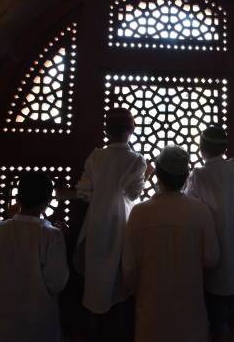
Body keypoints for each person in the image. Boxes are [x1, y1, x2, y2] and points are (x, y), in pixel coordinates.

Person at [122, 145, 220, 342]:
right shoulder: (200, 211)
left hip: (151, 315)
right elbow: (212, 259)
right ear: (186, 176)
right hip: (191, 316)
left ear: (157, 174)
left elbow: (129, 269)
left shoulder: (139, 213)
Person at [74, 107, 151, 335]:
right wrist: (147, 176)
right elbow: (134, 195)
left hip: (96, 224)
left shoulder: (96, 156)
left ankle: (91, 334)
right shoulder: (137, 160)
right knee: (121, 284)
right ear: (131, 130)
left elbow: (83, 192)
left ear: (107, 130)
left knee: (96, 283)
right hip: (122, 225)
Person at [184, 126, 234, 340]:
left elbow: (187, 205)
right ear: (224, 148)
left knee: (217, 326)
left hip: (214, 265)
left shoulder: (198, 175)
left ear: (201, 149)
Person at [0, 172, 69, 342]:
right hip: (37, 328)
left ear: (18, 198)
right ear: (47, 201)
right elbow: (56, 283)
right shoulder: (52, 236)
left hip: (0, 327)